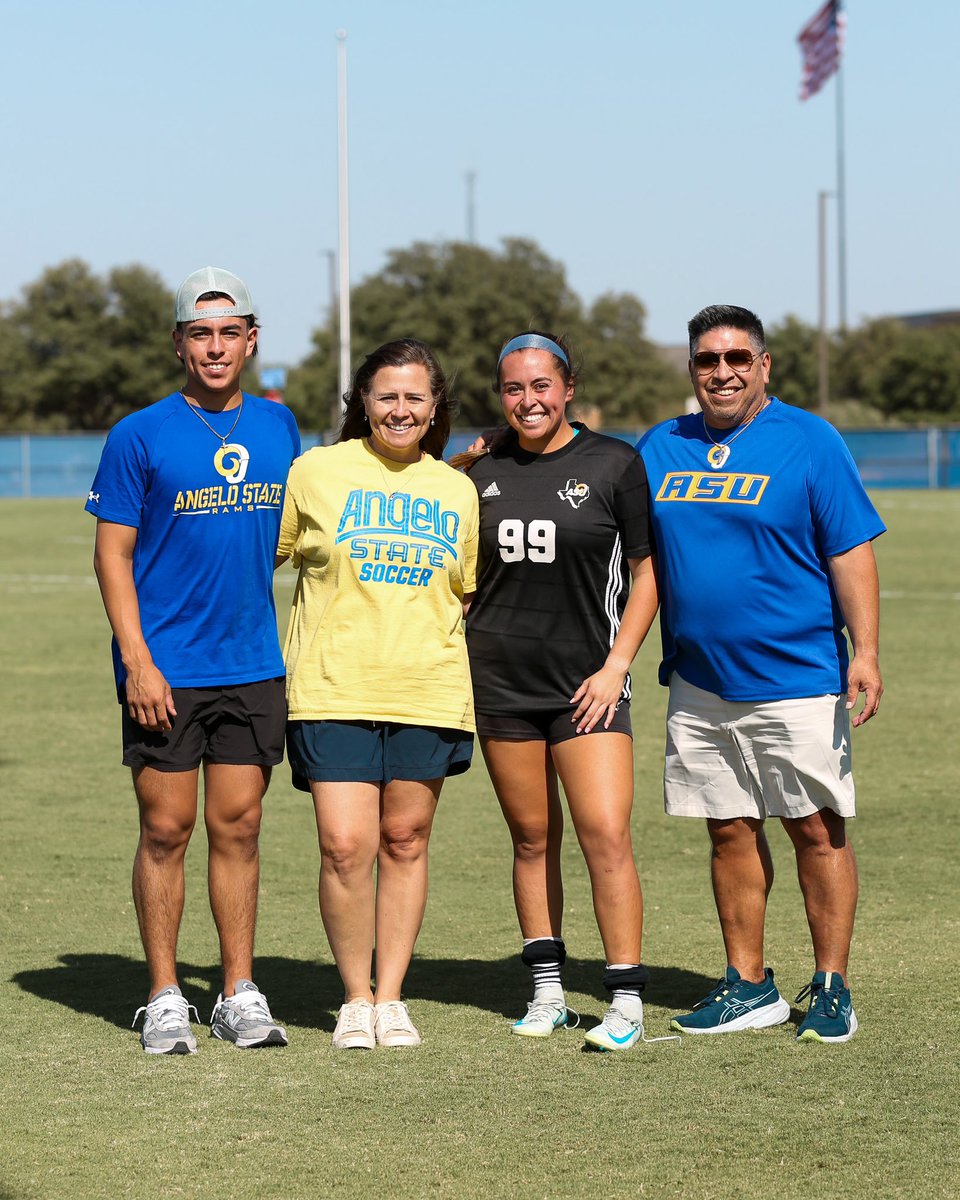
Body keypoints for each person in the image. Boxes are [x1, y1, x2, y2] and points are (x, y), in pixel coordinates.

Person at [637, 304, 884, 1044]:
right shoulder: (662, 446)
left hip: (799, 676)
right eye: (708, 360)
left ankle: (832, 985)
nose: (723, 372)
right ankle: (748, 984)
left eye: (738, 358)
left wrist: (865, 650)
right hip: (700, 680)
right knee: (728, 830)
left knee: (815, 828)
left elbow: (849, 551)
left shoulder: (810, 441)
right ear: (691, 369)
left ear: (764, 366)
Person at [86, 267, 299, 1054]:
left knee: (239, 828)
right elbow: (112, 556)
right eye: (199, 333)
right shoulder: (137, 434)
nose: (215, 346)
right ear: (179, 344)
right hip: (165, 670)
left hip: (251, 664)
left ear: (252, 339)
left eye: (229, 331)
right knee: (166, 830)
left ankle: (239, 992)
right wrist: (138, 662)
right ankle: (166, 994)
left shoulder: (280, 426)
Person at [458, 331, 661, 1052]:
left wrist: (616, 665)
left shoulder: (614, 463)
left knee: (605, 834)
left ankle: (626, 1000)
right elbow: (434, 514)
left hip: (588, 689)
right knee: (531, 837)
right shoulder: (480, 470)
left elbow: (647, 575)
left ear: (567, 387)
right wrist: (468, 456)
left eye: (541, 385)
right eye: (513, 388)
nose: (528, 400)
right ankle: (547, 992)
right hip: (501, 684)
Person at [276, 338, 479, 1050]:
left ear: (434, 408)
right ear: (362, 402)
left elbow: (464, 594)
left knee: (405, 840)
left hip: (427, 689)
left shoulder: (455, 490)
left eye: (414, 397)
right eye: (386, 396)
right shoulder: (315, 472)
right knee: (343, 844)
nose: (400, 409)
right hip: (332, 687)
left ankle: (391, 997)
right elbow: (255, 555)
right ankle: (354, 999)